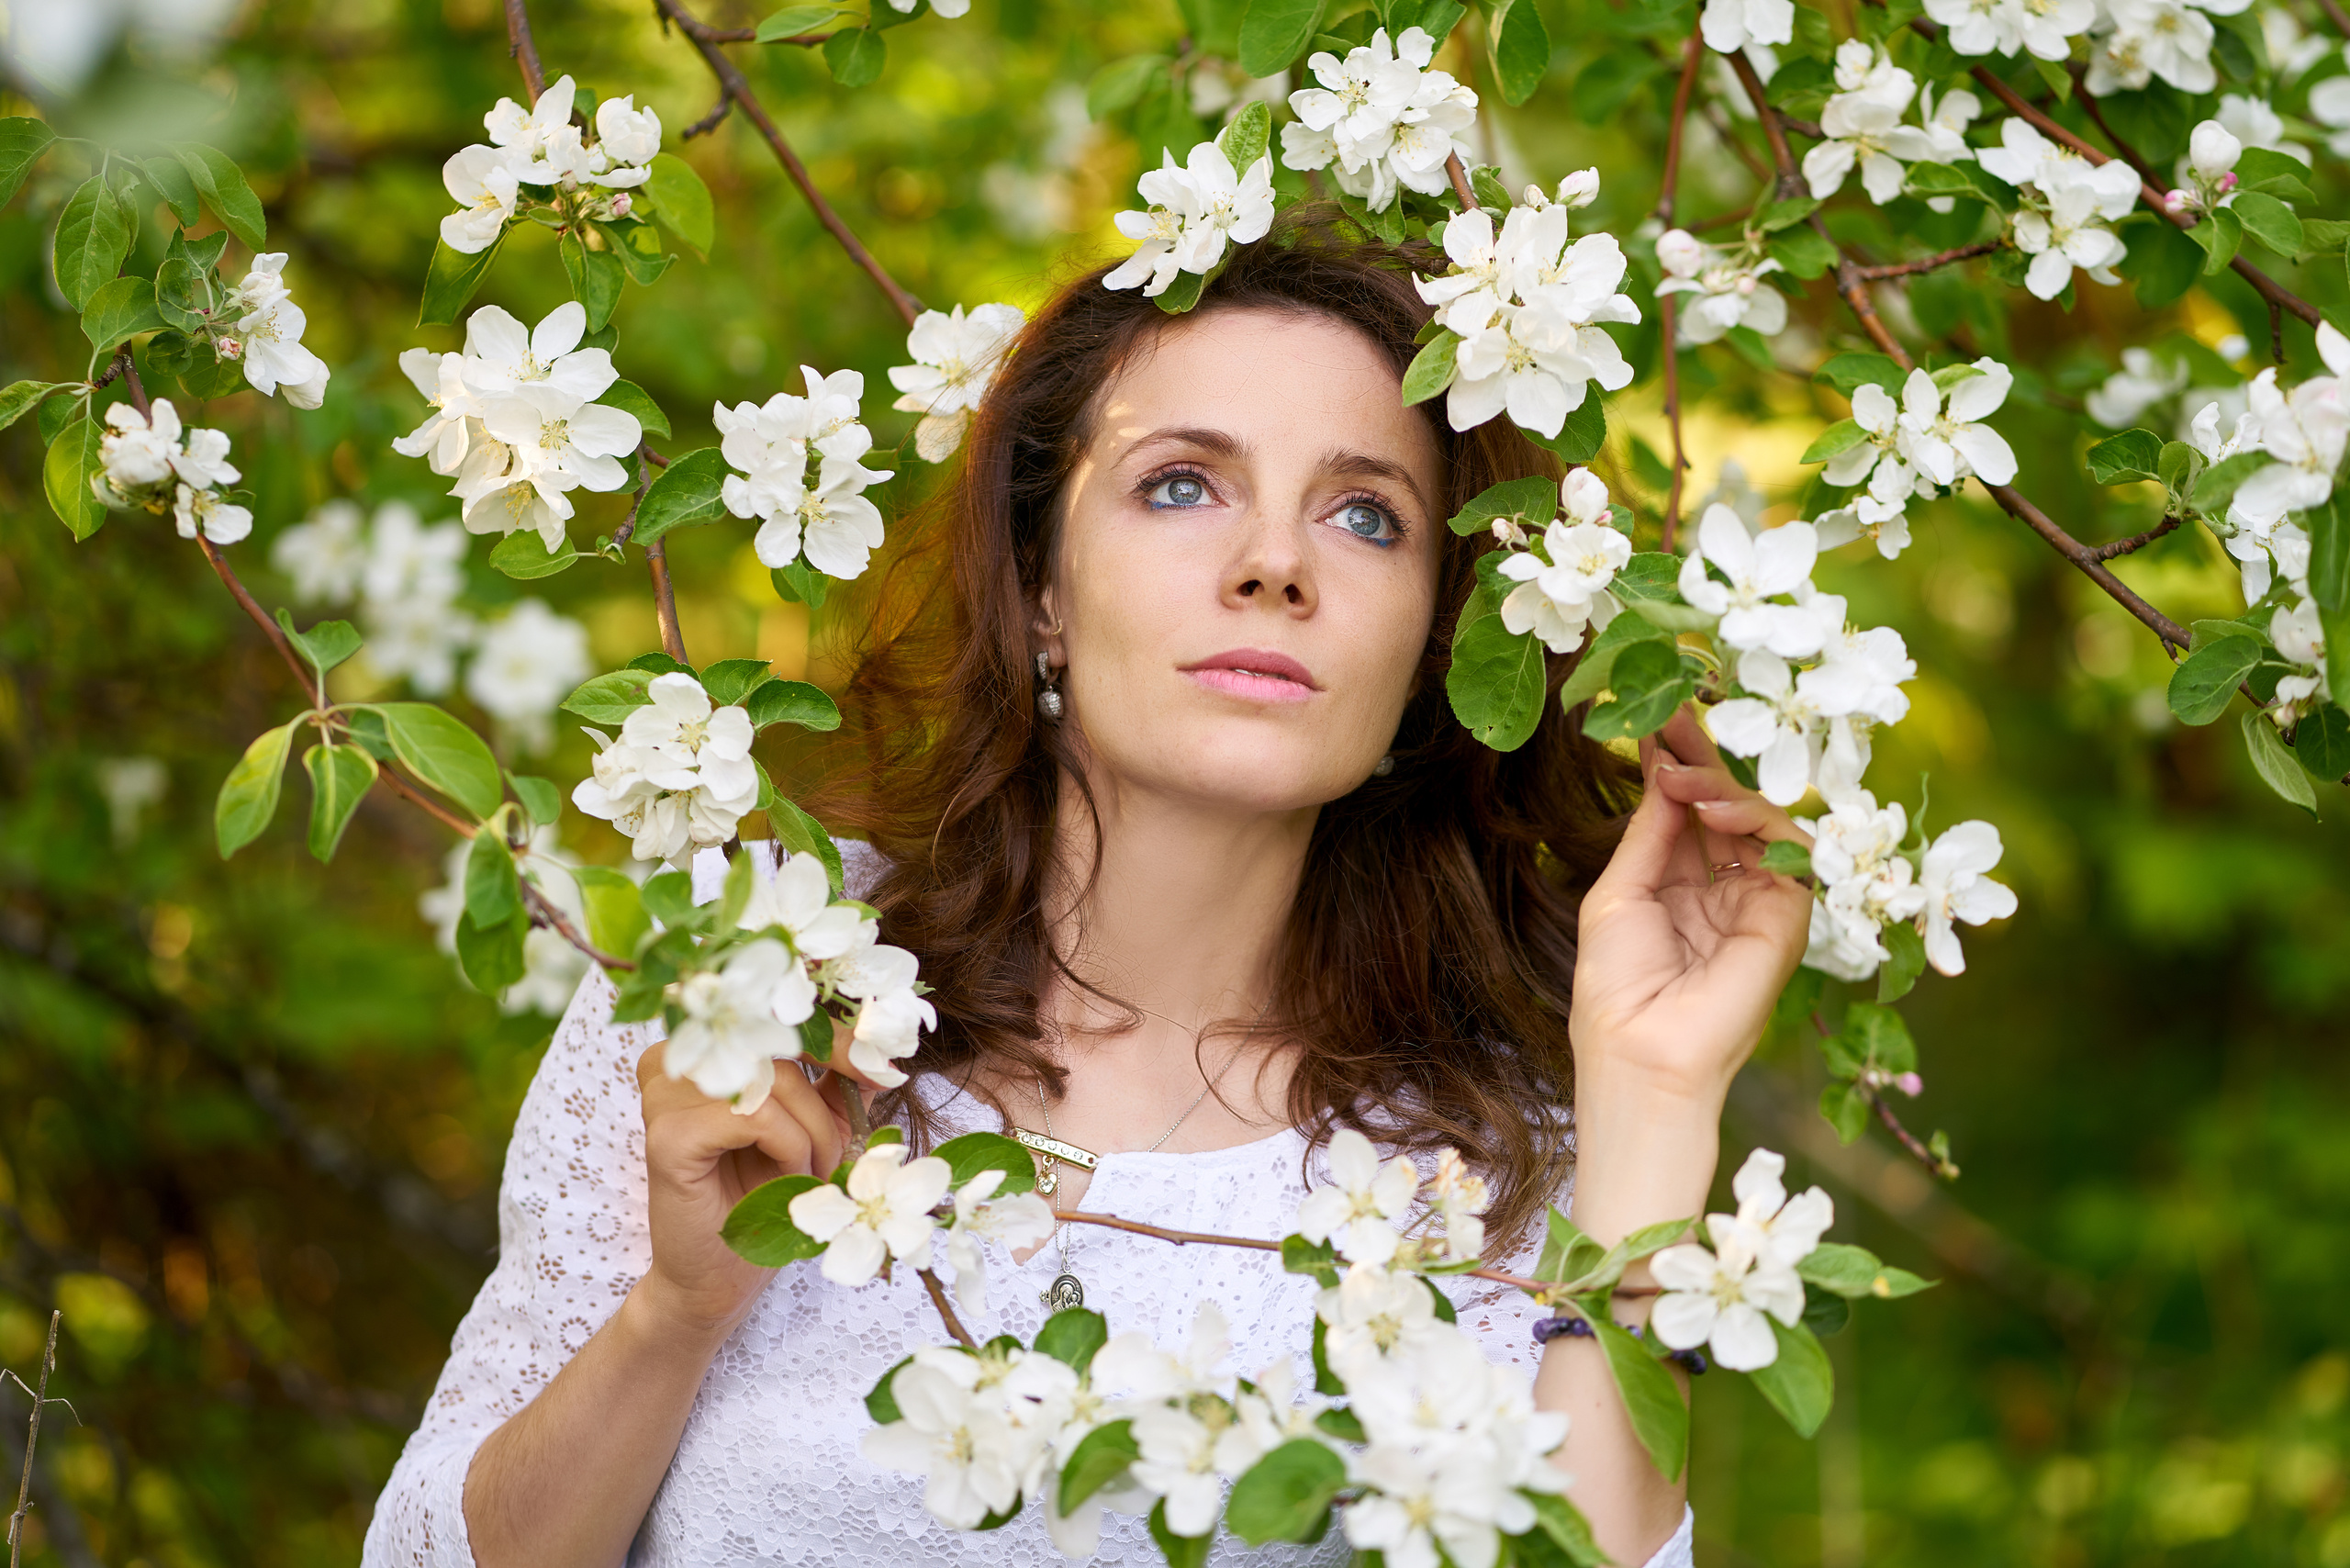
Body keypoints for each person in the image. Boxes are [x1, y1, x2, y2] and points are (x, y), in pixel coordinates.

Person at [364, 211, 1813, 1568]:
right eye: (1182, 485)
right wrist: (677, 1313)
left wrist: (1654, 1097)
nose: (1273, 564)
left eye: (1366, 516)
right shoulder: (757, 985)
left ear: (1435, 646)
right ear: (1042, 585)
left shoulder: (1497, 1163)